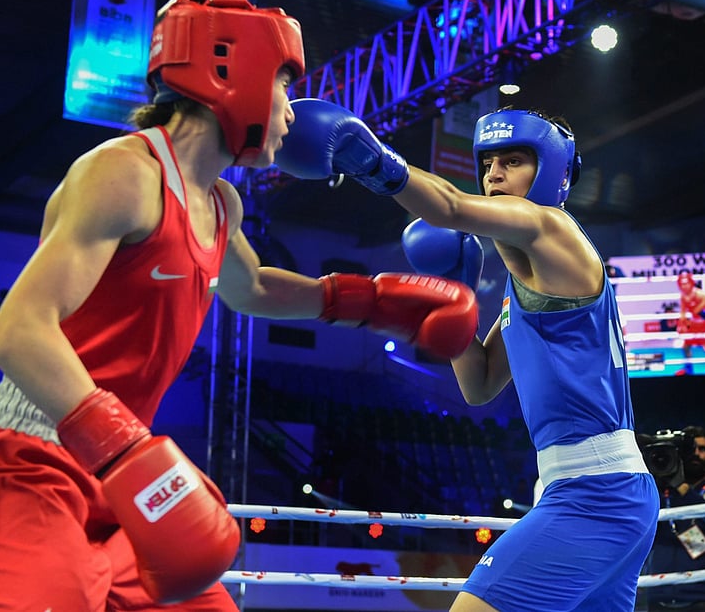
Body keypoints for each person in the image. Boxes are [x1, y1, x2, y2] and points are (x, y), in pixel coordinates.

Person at [0, 0, 478, 611]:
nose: (292, 115)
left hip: (119, 476)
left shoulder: (222, 201)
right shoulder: (124, 174)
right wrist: (124, 447)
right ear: (234, 74)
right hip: (27, 466)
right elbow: (16, 331)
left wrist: (372, 302)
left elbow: (251, 288)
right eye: (284, 85)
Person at [280, 102, 660, 611]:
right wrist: (455, 291)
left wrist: (370, 160)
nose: (494, 175)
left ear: (553, 173)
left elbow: (451, 208)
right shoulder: (528, 288)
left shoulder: (552, 227)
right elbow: (477, 387)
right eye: (487, 163)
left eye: (513, 161)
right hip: (598, 491)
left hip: (595, 494)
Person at [647, 426, 705, 612]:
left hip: (703, 597)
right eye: (691, 449)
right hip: (658, 596)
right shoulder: (658, 492)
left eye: (702, 449)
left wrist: (682, 488)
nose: (695, 454)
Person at [675, 270, 705, 376]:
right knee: (685, 344)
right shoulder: (683, 296)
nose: (684, 286)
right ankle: (689, 369)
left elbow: (702, 311)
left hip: (704, 323)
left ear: (691, 282)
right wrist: (681, 325)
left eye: (686, 283)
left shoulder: (700, 294)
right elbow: (683, 313)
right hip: (694, 324)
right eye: (682, 284)